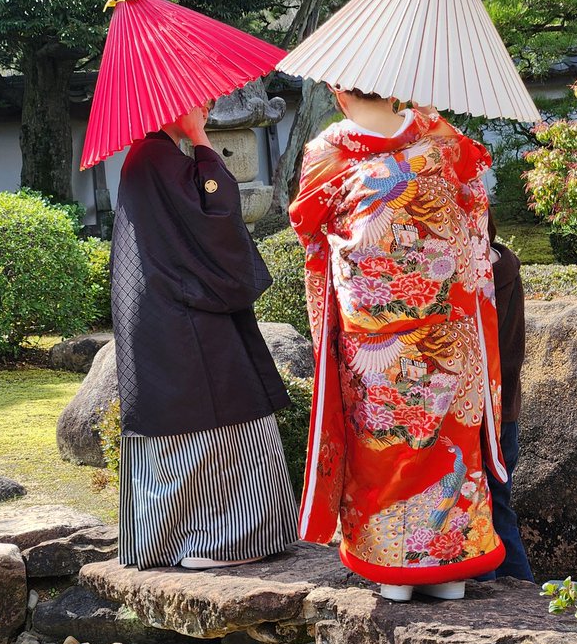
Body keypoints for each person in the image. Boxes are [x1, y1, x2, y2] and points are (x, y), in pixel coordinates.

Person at [289, 88, 507, 602]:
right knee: (447, 442)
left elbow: (313, 236)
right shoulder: (439, 135)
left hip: (372, 335)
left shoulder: (325, 151)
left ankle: (391, 570)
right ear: (393, 84)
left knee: (383, 443)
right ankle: (450, 568)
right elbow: (476, 211)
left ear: (338, 92)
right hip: (446, 327)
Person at [111, 103, 299, 570]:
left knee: (190, 429)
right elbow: (218, 217)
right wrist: (201, 143)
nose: (208, 108)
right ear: (171, 105)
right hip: (185, 315)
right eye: (200, 103)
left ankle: (170, 542)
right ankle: (221, 543)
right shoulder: (160, 158)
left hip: (167, 311)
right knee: (217, 425)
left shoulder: (148, 158)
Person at [484, 216, 534, 581]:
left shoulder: (469, 276)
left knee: (476, 511)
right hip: (507, 412)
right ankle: (526, 591)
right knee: (499, 509)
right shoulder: (506, 267)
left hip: (476, 414)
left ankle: (484, 593)